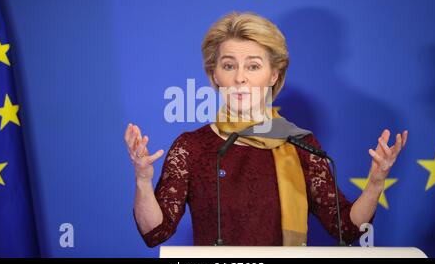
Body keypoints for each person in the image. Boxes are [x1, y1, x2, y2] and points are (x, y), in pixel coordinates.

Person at [124, 12, 408, 247]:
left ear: (274, 74)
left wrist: (375, 181)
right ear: (214, 75)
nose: (239, 78)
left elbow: (346, 228)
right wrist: (142, 179)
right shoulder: (192, 147)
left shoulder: (300, 144)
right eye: (228, 65)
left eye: (253, 66)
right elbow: (155, 232)